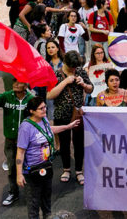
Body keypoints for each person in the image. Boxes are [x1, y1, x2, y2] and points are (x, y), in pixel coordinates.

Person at [16, 97, 79, 219]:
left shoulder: (43, 119)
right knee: (33, 205)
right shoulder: (26, 127)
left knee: (46, 203)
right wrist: (19, 174)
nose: (45, 110)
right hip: (32, 171)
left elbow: (49, 130)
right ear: (32, 111)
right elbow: (20, 152)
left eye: (45, 107)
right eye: (41, 108)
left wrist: (68, 126)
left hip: (46, 167)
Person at [0, 78, 34, 206]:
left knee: (29, 167)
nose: (15, 84)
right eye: (14, 81)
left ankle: (31, 193)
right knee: (11, 167)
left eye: (19, 82)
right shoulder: (7, 96)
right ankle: (13, 193)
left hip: (27, 142)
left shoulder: (31, 99)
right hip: (10, 141)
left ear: (26, 85)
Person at [46, 51, 93, 185]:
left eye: (75, 67)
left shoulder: (80, 71)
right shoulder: (56, 74)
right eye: (71, 67)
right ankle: (66, 169)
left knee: (79, 143)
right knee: (64, 144)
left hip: (78, 113)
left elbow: (90, 89)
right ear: (65, 62)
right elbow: (49, 95)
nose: (73, 70)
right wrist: (65, 81)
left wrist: (84, 84)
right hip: (61, 114)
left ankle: (79, 170)